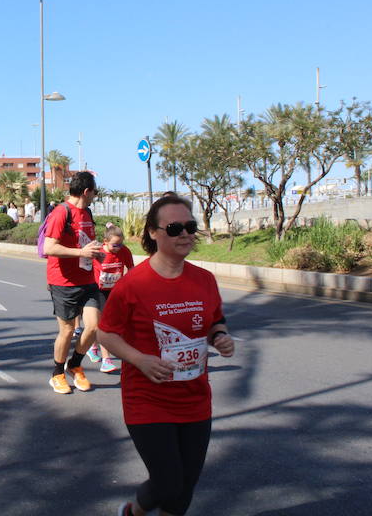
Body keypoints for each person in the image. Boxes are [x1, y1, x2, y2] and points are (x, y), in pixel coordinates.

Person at [98, 193, 235, 516]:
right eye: (174, 227)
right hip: (148, 400)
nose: (185, 233)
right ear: (153, 233)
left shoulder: (205, 280)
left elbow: (215, 320)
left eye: (190, 226)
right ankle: (132, 512)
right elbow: (106, 333)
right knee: (168, 482)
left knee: (184, 487)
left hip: (195, 399)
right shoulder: (133, 284)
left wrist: (221, 337)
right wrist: (140, 359)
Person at [42, 171, 104, 394]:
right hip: (63, 281)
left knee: (95, 326)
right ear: (87, 191)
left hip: (87, 279)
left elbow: (85, 243)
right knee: (67, 330)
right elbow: (49, 248)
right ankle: (57, 373)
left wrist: (96, 254)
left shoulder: (87, 212)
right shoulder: (61, 212)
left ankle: (75, 364)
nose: (95, 196)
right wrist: (81, 252)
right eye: (94, 192)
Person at [89, 223, 136, 373]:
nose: (118, 248)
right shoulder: (97, 253)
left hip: (115, 291)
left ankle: (94, 347)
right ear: (105, 242)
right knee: (103, 325)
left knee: (109, 324)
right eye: (115, 245)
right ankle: (106, 360)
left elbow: (131, 269)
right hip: (98, 291)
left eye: (121, 244)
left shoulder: (124, 251)